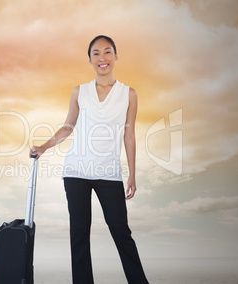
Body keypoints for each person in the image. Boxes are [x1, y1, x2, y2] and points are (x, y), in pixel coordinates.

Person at [30, 35, 148, 284]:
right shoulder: (79, 92)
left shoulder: (129, 94)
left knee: (121, 232)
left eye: (107, 52)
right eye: (96, 53)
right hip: (76, 172)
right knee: (79, 236)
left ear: (115, 56)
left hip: (109, 174)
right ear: (90, 59)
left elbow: (129, 134)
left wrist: (132, 175)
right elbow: (67, 127)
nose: (102, 58)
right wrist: (43, 147)